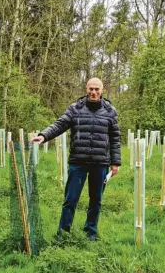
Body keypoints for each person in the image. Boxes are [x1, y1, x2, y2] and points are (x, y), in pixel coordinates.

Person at [30, 78, 121, 241]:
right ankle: (63, 234)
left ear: (102, 90)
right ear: (86, 89)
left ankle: (90, 233)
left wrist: (115, 163)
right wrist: (43, 136)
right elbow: (59, 124)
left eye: (96, 89)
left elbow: (115, 138)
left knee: (96, 200)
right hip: (78, 162)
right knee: (70, 199)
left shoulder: (110, 112)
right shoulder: (75, 109)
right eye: (91, 89)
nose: (93, 92)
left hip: (100, 164)